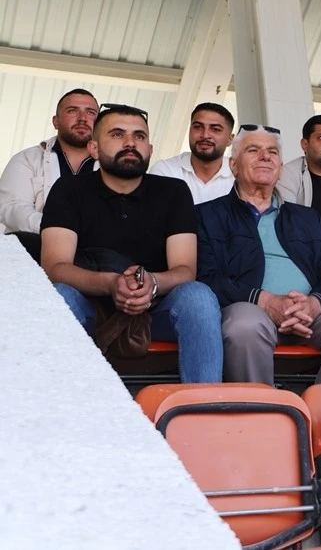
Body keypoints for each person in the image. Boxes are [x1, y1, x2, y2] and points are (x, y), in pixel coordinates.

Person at [40, 104, 223, 383]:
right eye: (117, 134)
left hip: (156, 307)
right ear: (93, 148)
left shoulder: (173, 192)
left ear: (149, 148)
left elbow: (185, 269)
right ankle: (59, 402)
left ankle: (205, 405)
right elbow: (55, 267)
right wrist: (111, 284)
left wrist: (152, 283)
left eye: (139, 136)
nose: (130, 143)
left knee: (198, 296)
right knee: (59, 296)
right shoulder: (69, 190)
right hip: (90, 305)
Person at [197, 125, 321, 385]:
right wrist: (265, 301)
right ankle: (261, 407)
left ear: (281, 168)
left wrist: (314, 304)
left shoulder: (306, 218)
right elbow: (206, 277)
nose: (265, 156)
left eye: (272, 152)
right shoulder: (206, 215)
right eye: (254, 150)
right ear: (234, 166)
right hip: (251, 311)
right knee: (244, 324)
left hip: (310, 317)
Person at [1, 89, 99, 262]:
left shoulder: (112, 165)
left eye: (90, 112)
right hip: (35, 248)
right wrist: (59, 232)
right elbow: (11, 208)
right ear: (56, 121)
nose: (82, 118)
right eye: (72, 110)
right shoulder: (27, 159)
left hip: (97, 255)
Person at [149, 102, 235, 204]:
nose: (205, 135)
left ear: (230, 139)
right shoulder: (166, 171)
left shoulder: (239, 175)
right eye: (198, 127)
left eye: (215, 129)